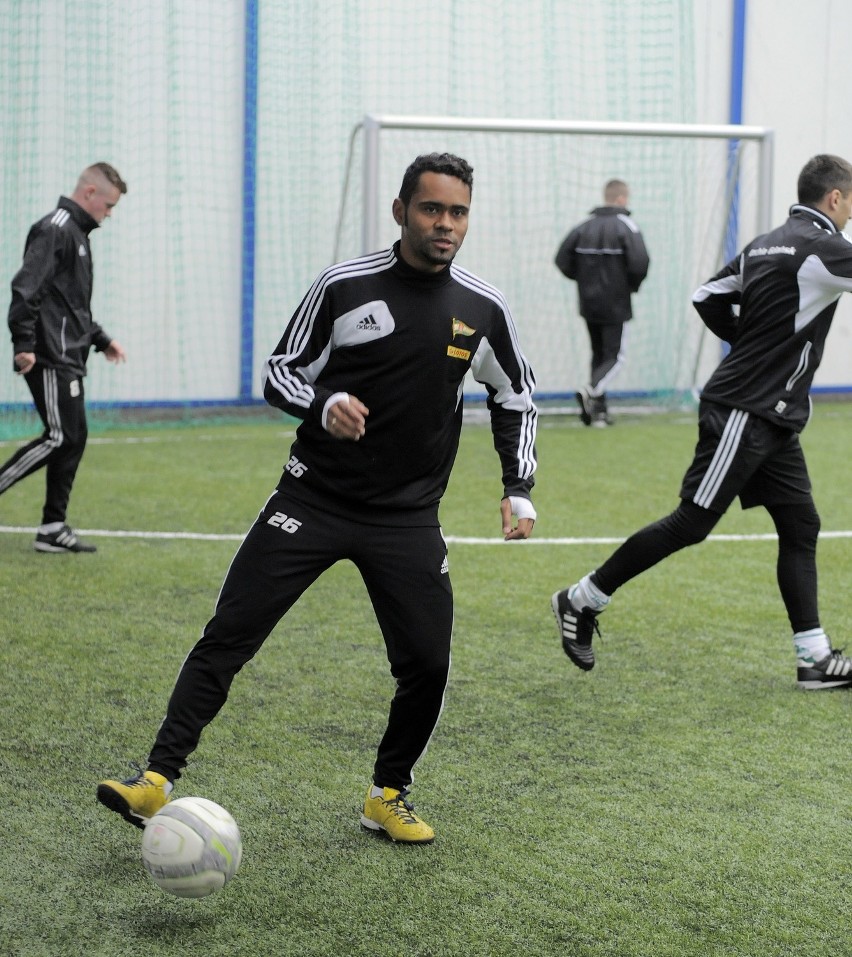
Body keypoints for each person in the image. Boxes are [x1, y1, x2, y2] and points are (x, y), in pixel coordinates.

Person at [98, 153, 538, 843]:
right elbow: (280, 371)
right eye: (431, 209)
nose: (445, 224)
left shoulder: (482, 308)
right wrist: (324, 401)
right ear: (401, 211)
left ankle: (387, 794)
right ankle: (155, 778)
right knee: (229, 634)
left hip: (407, 518)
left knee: (427, 663)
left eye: (457, 212)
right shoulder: (344, 286)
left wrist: (519, 488)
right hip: (312, 499)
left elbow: (516, 394)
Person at [552, 153, 852, 691]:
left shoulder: (766, 243)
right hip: (746, 410)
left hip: (770, 414)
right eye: (850, 201)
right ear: (834, 198)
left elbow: (706, 296)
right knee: (691, 523)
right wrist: (760, 351)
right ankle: (581, 598)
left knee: (801, 525)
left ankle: (813, 658)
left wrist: (748, 341)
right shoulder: (826, 246)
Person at [1, 162, 128, 553]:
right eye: (107, 206)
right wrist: (23, 343)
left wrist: (101, 339)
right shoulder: (55, 228)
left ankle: (52, 527)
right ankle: (50, 524)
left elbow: (72, 306)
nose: (108, 216)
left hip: (69, 354)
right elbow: (26, 288)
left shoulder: (78, 235)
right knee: (61, 436)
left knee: (74, 438)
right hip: (47, 355)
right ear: (89, 193)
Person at [554, 179, 649, 427]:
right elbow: (640, 263)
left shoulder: (583, 227)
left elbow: (561, 259)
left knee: (599, 355)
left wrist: (583, 281)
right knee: (615, 357)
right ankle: (592, 390)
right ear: (621, 199)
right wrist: (630, 286)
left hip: (589, 303)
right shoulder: (627, 226)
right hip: (615, 303)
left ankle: (599, 413)